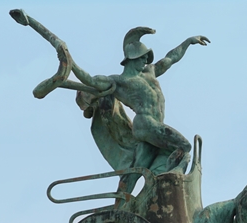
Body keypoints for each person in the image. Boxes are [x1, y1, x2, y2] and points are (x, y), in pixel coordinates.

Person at [72, 27, 209, 176]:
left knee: (135, 170)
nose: (146, 60)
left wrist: (188, 42)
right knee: (184, 146)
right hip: (145, 123)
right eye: (143, 56)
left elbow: (170, 59)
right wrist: (70, 62)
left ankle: (126, 197)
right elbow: (89, 80)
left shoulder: (150, 72)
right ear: (132, 57)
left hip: (154, 127)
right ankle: (172, 179)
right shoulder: (119, 81)